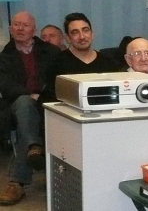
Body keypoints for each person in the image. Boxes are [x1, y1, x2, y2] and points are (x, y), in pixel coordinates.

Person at [0, 11, 60, 205]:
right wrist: (29, 94)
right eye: (16, 25)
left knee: (29, 120)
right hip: (16, 105)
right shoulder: (4, 57)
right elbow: (5, 86)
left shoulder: (50, 52)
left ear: (34, 30)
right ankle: (34, 146)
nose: (20, 28)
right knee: (25, 104)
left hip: (48, 101)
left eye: (25, 25)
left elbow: (59, 80)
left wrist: (41, 96)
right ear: (10, 29)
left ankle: (17, 182)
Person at [44, 12, 120, 101]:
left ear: (92, 34)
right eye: (75, 33)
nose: (82, 37)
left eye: (85, 30)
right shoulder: (56, 64)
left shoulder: (109, 63)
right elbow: (50, 100)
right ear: (68, 38)